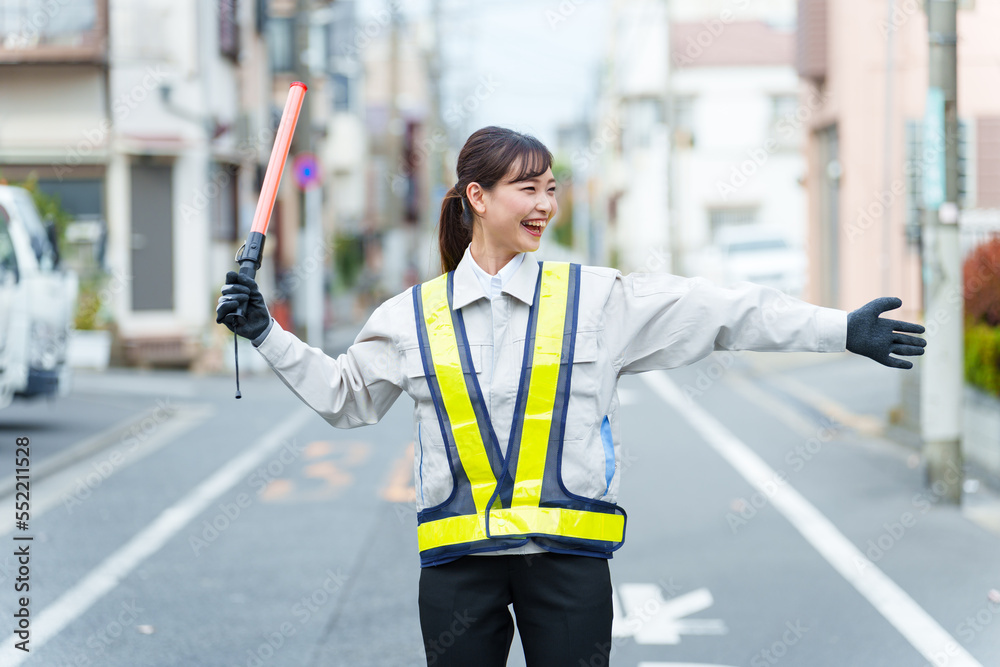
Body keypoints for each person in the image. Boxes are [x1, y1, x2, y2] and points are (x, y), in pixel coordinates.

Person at [216, 126, 927, 667]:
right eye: (528, 188)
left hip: (569, 565)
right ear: (477, 198)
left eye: (551, 188)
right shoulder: (410, 315)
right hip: (457, 574)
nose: (546, 204)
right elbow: (346, 398)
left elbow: (722, 310)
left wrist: (839, 329)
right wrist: (265, 333)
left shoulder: (596, 299)